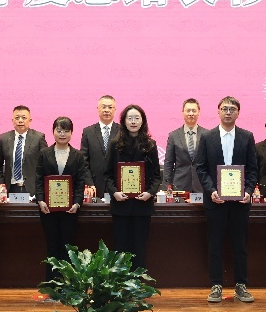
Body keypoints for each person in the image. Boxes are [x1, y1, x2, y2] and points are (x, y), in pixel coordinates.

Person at [195, 96, 258, 303]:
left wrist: (248, 190)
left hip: (240, 203)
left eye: (232, 109)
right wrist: (211, 190)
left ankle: (241, 285)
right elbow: (201, 168)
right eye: (224, 108)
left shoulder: (247, 137)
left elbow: (253, 169)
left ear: (238, 112)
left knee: (240, 245)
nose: (228, 112)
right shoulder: (207, 136)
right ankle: (216, 286)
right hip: (215, 201)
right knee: (215, 245)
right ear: (218, 111)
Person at [103, 104, 161, 270]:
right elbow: (107, 174)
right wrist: (114, 192)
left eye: (137, 118)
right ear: (124, 121)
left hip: (142, 205)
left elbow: (157, 176)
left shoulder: (150, 145)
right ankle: (120, 283)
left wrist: (150, 193)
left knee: (139, 248)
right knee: (120, 248)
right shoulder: (115, 144)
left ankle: (138, 282)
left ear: (142, 121)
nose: (133, 121)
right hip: (121, 205)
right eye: (130, 118)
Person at [35, 116, 89, 281]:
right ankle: (52, 284)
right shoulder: (44, 153)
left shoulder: (78, 155)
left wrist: (77, 203)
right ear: (53, 132)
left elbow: (80, 181)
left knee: (67, 247)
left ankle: (67, 284)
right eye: (59, 130)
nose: (62, 134)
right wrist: (40, 200)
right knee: (52, 246)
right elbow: (38, 178)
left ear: (71, 133)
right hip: (48, 208)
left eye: (66, 131)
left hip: (70, 209)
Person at [0, 105, 48, 197]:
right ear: (12, 120)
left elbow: (45, 164)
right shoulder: (4, 139)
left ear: (30, 120)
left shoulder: (38, 138)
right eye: (17, 118)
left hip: (32, 189)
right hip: (10, 188)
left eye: (24, 118)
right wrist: (1, 182)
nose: (20, 121)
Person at [163, 98, 208, 192]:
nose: (191, 113)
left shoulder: (207, 135)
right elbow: (168, 163)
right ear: (183, 112)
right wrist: (167, 186)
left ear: (199, 112)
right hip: (179, 185)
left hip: (201, 185)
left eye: (194, 111)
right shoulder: (173, 136)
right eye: (188, 110)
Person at [80, 95, 120, 199]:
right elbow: (84, 161)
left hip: (118, 186)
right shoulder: (88, 132)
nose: (107, 110)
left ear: (115, 110)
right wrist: (89, 183)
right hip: (94, 186)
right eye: (104, 107)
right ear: (98, 109)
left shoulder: (122, 131)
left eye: (110, 107)